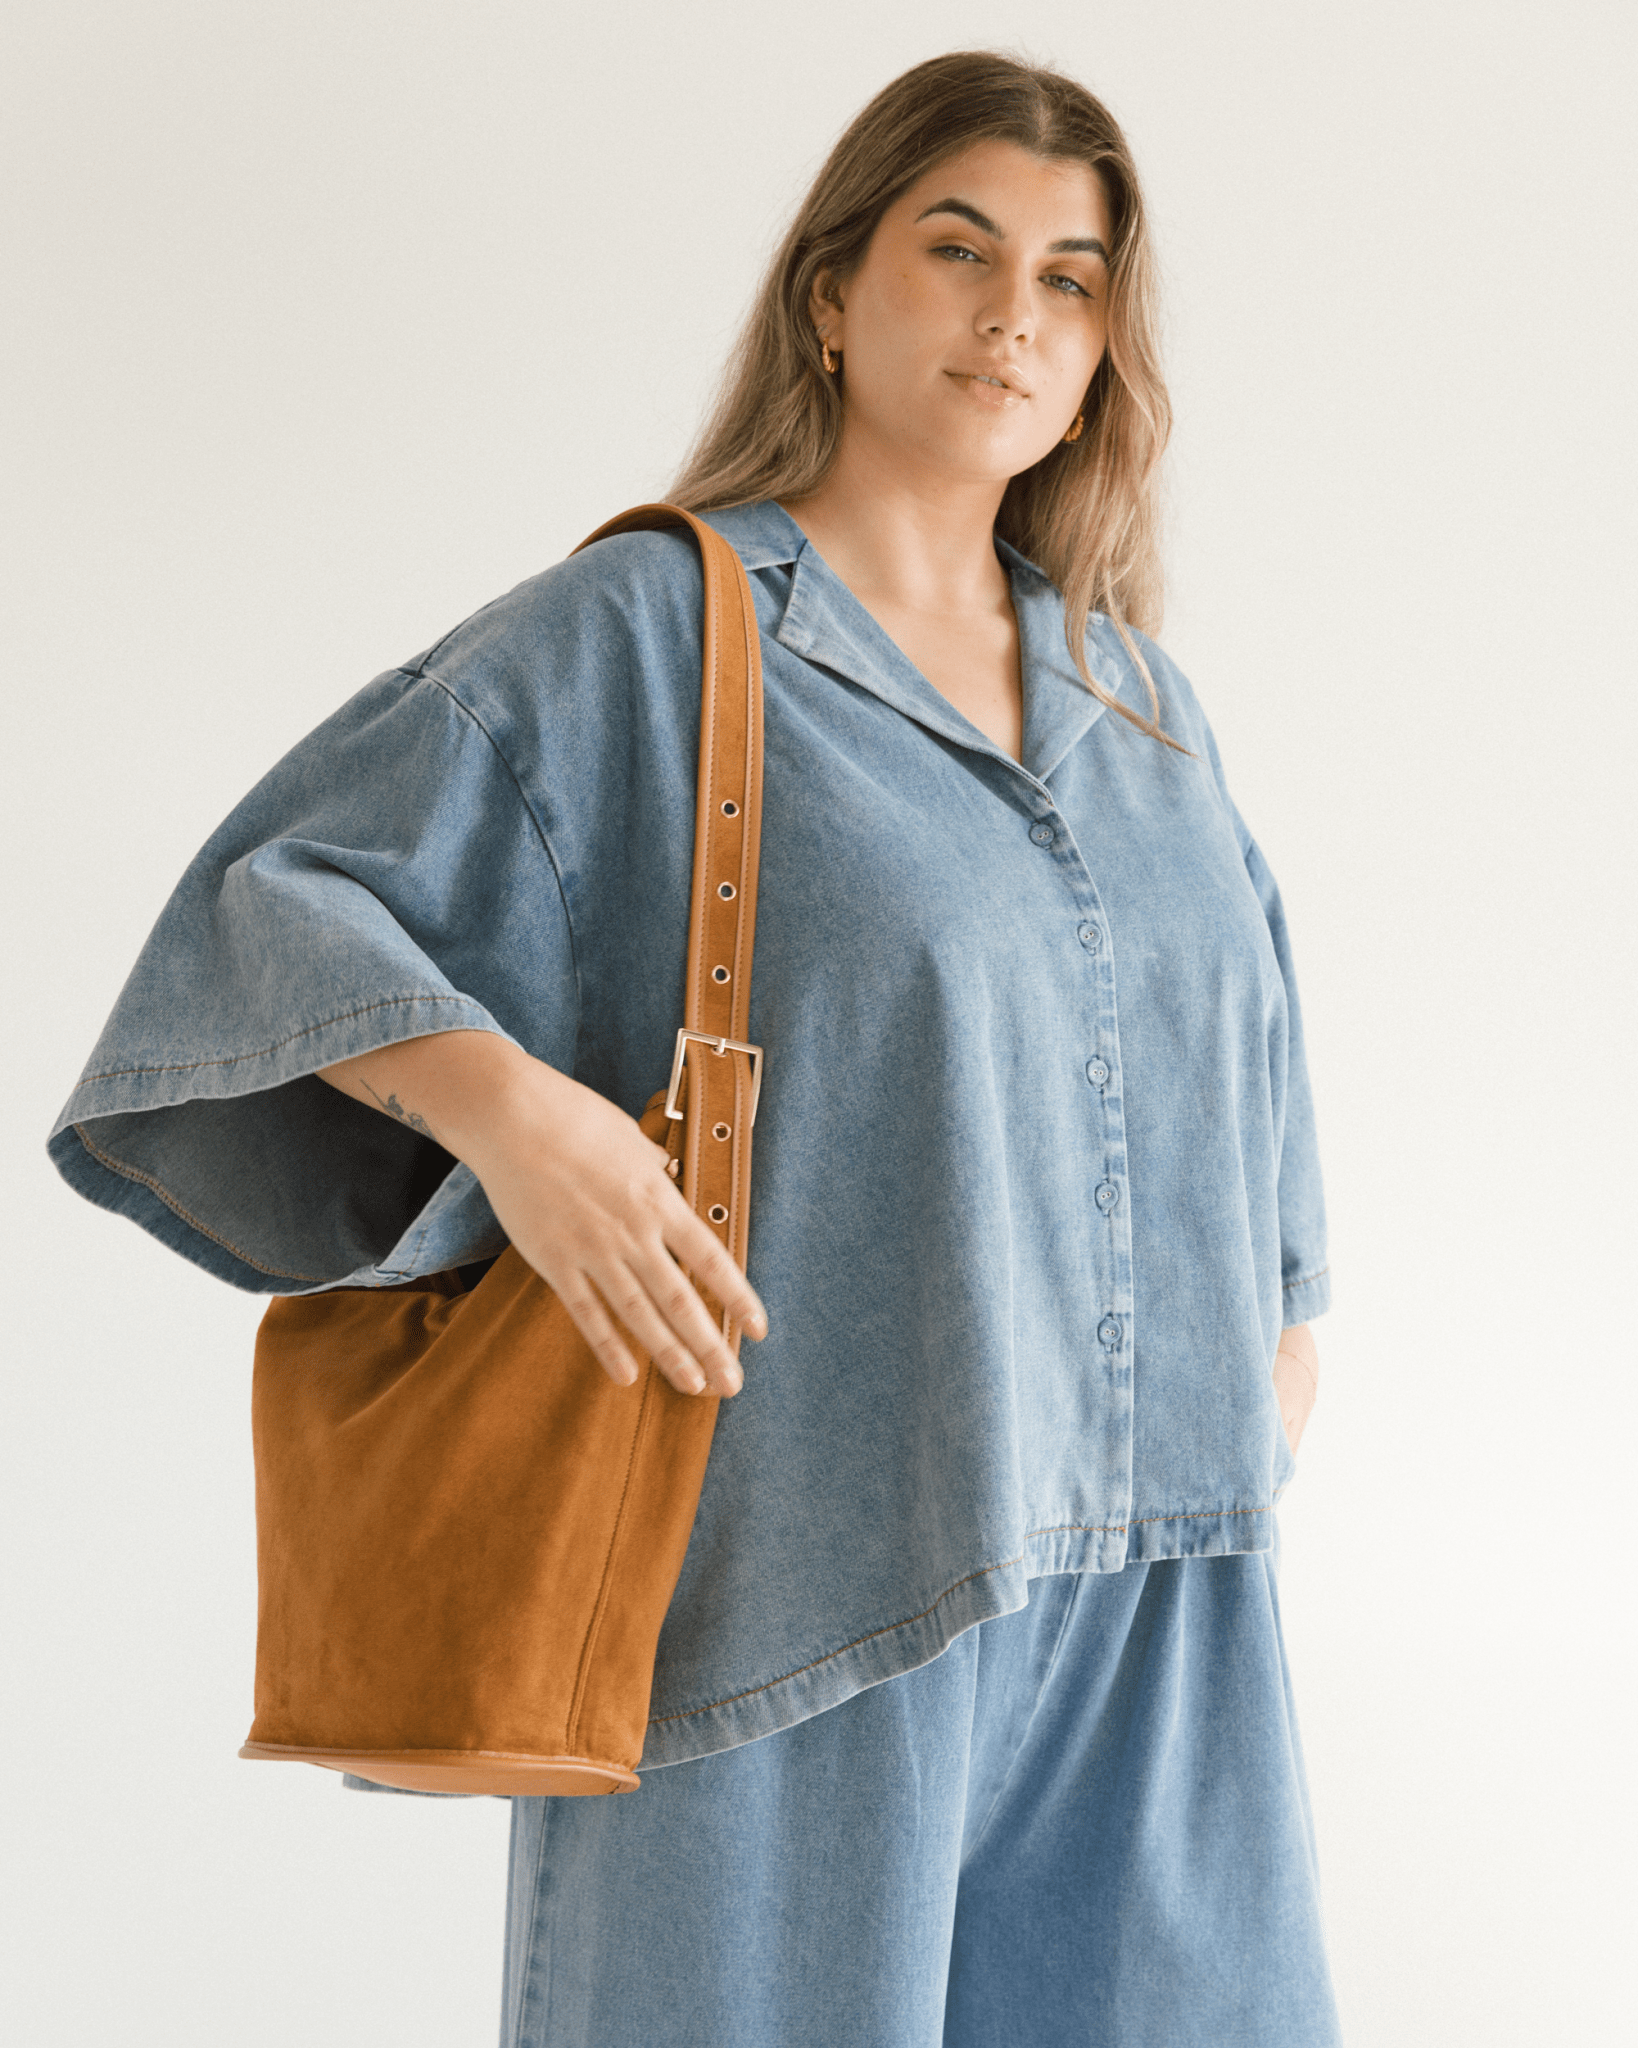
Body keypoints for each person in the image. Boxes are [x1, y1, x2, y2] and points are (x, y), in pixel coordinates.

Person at [47, 49, 1342, 2048]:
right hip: (806, 1579)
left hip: (1160, 1604)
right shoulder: (659, 632)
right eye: (960, 246)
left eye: (1073, 280)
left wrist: (1283, 1308)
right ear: (833, 293)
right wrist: (528, 1122)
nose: (1016, 311)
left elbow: (1242, 1026)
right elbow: (272, 900)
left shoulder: (1139, 697)